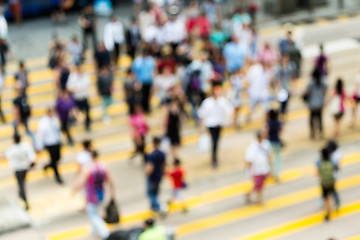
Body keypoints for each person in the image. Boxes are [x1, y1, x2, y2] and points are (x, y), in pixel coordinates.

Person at [73, 150, 115, 240]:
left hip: (92, 196)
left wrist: (74, 190)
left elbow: (81, 183)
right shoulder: (104, 166)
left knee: (93, 215)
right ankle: (93, 231)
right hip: (101, 193)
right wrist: (112, 194)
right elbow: (110, 182)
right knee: (95, 212)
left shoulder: (87, 169)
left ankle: (105, 234)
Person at [198, 86, 233, 168]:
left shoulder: (222, 101)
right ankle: (214, 159)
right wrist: (201, 126)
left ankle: (214, 157)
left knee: (216, 141)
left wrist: (230, 119)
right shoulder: (207, 103)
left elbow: (229, 110)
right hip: (211, 125)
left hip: (219, 124)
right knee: (215, 141)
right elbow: (202, 114)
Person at [5, 134, 36, 210]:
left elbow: (7, 156)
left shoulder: (12, 149)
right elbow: (31, 156)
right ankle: (21, 195)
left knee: (21, 184)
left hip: (18, 169)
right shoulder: (25, 146)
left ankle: (24, 198)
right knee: (22, 183)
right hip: (24, 168)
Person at [36, 108, 63, 184]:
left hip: (56, 141)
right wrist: (39, 146)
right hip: (49, 143)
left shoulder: (55, 120)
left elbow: (58, 130)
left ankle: (47, 166)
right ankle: (57, 176)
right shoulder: (43, 122)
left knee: (57, 157)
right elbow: (40, 135)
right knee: (54, 160)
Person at [245, 131, 272, 205]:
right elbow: (249, 160)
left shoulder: (266, 144)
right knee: (259, 185)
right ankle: (259, 199)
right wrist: (250, 172)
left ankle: (249, 194)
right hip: (256, 170)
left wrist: (270, 166)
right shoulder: (252, 147)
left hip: (264, 168)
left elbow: (269, 155)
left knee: (260, 185)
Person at [67, 64, 91, 132]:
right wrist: (77, 88)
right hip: (76, 98)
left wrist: (77, 88)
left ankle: (87, 125)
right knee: (74, 112)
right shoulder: (72, 76)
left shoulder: (86, 76)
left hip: (84, 97)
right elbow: (69, 87)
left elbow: (86, 85)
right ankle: (73, 122)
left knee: (87, 112)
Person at [304, 69, 327, 139]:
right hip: (320, 103)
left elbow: (306, 92)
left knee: (312, 119)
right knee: (320, 118)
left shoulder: (311, 83)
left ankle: (312, 133)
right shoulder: (322, 82)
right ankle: (320, 132)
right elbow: (325, 91)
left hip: (312, 104)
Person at [131, 48, 156, 114]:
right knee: (142, 96)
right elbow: (134, 71)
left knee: (148, 96)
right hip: (140, 82)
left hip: (149, 81)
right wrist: (136, 81)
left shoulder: (150, 60)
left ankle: (147, 108)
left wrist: (154, 82)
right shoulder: (137, 61)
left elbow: (153, 71)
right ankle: (143, 109)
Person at [145, 137, 166, 213]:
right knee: (156, 193)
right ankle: (153, 208)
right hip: (159, 175)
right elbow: (163, 165)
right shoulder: (162, 153)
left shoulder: (151, 155)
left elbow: (150, 167)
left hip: (152, 177)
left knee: (150, 194)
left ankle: (159, 207)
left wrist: (146, 174)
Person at [317, 148, 336, 221]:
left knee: (325, 199)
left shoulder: (320, 163)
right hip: (331, 182)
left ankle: (326, 213)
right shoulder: (331, 161)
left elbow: (317, 173)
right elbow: (335, 169)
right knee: (330, 197)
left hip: (323, 183)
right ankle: (330, 210)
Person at [266, 110, 283, 182]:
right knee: (277, 158)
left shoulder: (268, 123)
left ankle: (270, 173)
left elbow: (266, 132)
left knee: (270, 159)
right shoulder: (278, 122)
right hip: (277, 141)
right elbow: (282, 128)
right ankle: (276, 174)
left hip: (270, 142)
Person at [327, 140, 342, 209]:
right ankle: (337, 202)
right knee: (332, 190)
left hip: (331, 176)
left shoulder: (332, 155)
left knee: (331, 190)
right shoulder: (338, 153)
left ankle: (336, 202)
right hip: (334, 175)